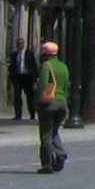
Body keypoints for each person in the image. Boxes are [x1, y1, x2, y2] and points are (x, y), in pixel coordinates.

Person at [35, 40, 69, 173]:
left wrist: (37, 100)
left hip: (49, 103)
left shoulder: (46, 65)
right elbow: (66, 87)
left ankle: (47, 164)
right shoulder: (63, 66)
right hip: (62, 102)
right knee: (54, 131)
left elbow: (43, 84)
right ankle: (60, 154)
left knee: (45, 135)